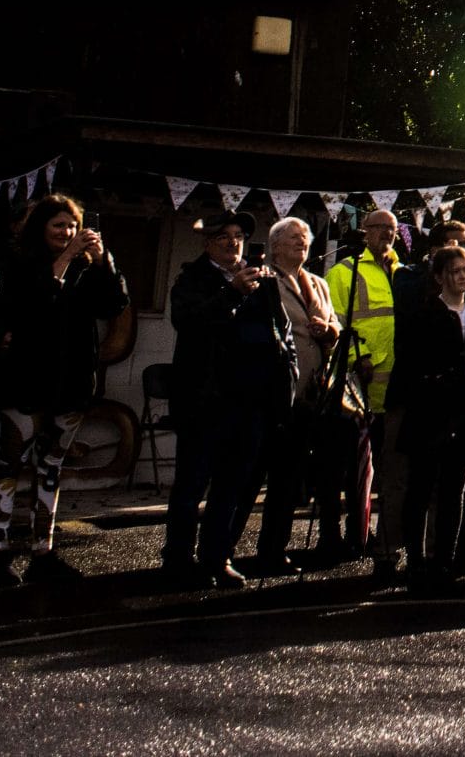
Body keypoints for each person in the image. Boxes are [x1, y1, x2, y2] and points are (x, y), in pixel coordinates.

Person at [0, 195, 127, 585]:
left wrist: (102, 262)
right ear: (41, 228)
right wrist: (63, 261)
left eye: (71, 226)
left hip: (72, 380)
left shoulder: (89, 264)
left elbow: (114, 304)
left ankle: (42, 551)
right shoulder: (19, 261)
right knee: (10, 463)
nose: (66, 234)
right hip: (26, 380)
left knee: (51, 467)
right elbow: (31, 303)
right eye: (58, 227)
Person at [164, 211, 294, 590]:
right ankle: (178, 559)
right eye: (223, 236)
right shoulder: (192, 279)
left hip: (248, 400)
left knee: (231, 486)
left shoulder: (263, 282)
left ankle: (217, 557)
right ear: (207, 243)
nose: (232, 242)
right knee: (191, 485)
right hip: (204, 400)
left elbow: (280, 331)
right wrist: (232, 292)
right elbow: (189, 323)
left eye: (237, 236)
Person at [394, 245, 465, 595]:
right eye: (456, 270)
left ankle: (444, 562)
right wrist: (456, 370)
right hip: (429, 414)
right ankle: (416, 562)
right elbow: (412, 364)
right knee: (421, 490)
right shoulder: (424, 314)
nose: (464, 276)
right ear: (439, 276)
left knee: (455, 492)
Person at [252, 215, 345, 576]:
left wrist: (329, 329)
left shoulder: (318, 283)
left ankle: (275, 548)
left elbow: (336, 323)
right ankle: (230, 549)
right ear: (275, 245)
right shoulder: (266, 281)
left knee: (291, 478)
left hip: (314, 392)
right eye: (293, 238)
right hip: (276, 393)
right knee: (260, 474)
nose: (301, 244)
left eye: (305, 238)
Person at [326, 206, 399, 561]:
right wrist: (360, 357)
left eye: (392, 228)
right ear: (365, 231)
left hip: (394, 388)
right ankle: (343, 535)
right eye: (380, 227)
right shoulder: (344, 272)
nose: (386, 233)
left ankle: (374, 535)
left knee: (383, 469)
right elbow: (336, 323)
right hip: (357, 384)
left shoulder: (403, 272)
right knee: (348, 467)